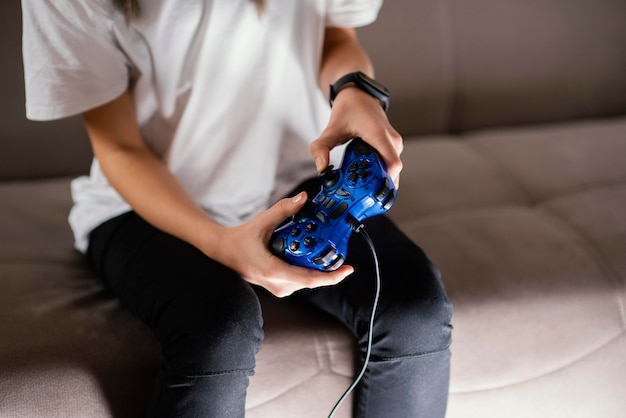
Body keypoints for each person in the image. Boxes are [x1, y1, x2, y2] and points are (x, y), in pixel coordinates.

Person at [22, 0, 453, 416]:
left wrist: (355, 89)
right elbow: (119, 147)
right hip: (146, 200)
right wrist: (221, 244)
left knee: (415, 313)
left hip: (292, 178)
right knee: (217, 332)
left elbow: (335, 35)